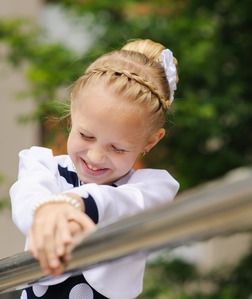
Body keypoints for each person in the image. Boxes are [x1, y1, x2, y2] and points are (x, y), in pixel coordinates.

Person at [10, 39, 180, 299]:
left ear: (151, 141)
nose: (95, 156)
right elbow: (28, 199)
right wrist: (46, 211)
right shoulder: (43, 166)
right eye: (86, 136)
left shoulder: (151, 188)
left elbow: (123, 204)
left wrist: (77, 203)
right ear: (72, 110)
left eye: (117, 148)